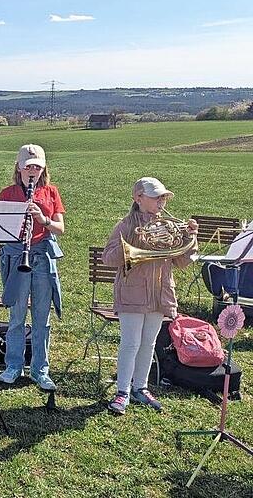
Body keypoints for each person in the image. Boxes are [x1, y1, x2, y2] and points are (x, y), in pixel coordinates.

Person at [102, 177, 198, 414]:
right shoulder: (126, 225)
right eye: (156, 197)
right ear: (138, 198)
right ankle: (122, 391)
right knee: (130, 343)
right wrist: (134, 243)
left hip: (159, 293)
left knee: (149, 343)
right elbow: (108, 257)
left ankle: (140, 387)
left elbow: (181, 261)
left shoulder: (169, 226)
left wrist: (190, 238)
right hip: (132, 293)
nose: (161, 201)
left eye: (163, 197)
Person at [0, 145, 65, 392]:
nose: (32, 170)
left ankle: (40, 369)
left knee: (41, 318)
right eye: (28, 166)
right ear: (19, 167)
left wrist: (43, 219)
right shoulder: (7, 194)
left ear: (43, 168)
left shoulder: (51, 192)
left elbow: (60, 228)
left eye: (37, 166)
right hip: (18, 257)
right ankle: (13, 366)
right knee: (16, 317)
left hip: (43, 256)